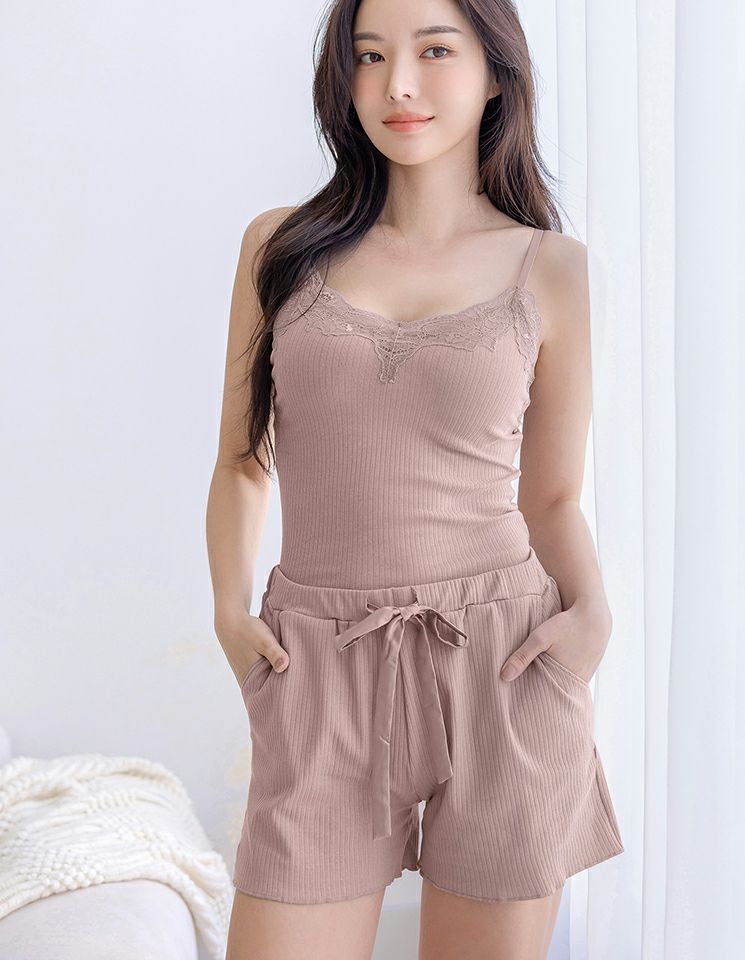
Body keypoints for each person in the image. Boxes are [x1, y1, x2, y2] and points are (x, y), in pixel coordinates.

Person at [208, 1, 624, 957]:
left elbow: (551, 496)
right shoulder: (280, 249)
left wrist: (594, 616)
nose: (397, 84)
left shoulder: (553, 269)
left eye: (434, 50)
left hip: (507, 664)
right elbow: (242, 459)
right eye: (370, 55)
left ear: (496, 72)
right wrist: (231, 612)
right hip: (319, 663)